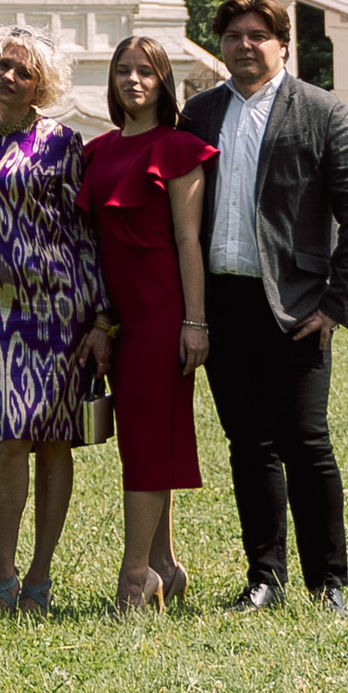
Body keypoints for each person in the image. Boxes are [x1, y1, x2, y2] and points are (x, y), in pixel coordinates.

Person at [182, 0, 348, 612]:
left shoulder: (323, 113)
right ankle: (265, 577)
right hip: (224, 304)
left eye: (257, 35)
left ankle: (329, 583)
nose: (245, 44)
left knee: (305, 441)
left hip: (296, 308)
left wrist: (335, 304)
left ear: (282, 44)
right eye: (234, 35)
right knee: (248, 445)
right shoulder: (199, 114)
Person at [0, 30, 107, 616]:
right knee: (6, 438)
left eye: (21, 70)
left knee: (53, 440)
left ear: (40, 83)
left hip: (58, 310)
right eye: (2, 64)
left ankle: (40, 576)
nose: (8, 75)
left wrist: (100, 315)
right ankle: (3, 573)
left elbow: (84, 233)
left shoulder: (64, 144)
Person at [80, 33, 215, 612]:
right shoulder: (97, 151)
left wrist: (195, 321)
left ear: (164, 82)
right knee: (139, 440)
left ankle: (135, 578)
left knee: (147, 438)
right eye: (124, 71)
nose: (133, 81)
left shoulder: (180, 149)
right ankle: (162, 565)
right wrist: (100, 317)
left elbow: (190, 240)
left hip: (163, 313)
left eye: (146, 72)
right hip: (117, 315)